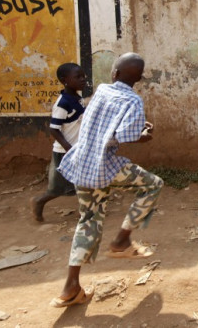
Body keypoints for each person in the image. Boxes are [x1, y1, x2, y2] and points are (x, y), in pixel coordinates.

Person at [49, 53, 164, 308]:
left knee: (88, 219)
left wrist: (134, 128)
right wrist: (144, 134)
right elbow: (127, 136)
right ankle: (122, 240)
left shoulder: (101, 90)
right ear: (139, 79)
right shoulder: (134, 100)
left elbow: (103, 122)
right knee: (153, 184)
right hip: (103, 166)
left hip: (81, 163)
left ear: (114, 74)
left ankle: (71, 286)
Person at [30, 63, 86, 222]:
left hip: (77, 150)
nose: (83, 79)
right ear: (64, 80)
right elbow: (54, 129)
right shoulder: (63, 103)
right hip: (63, 152)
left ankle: (87, 211)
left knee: (83, 182)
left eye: (83, 76)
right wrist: (68, 148)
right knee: (56, 189)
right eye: (78, 77)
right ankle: (38, 201)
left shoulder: (77, 98)